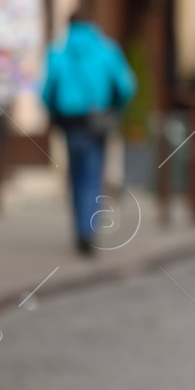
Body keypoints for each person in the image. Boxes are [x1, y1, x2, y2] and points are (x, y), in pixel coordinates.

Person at [39, 13, 138, 256]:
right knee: (93, 175)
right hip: (98, 122)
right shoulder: (107, 50)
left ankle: (80, 229)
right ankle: (89, 230)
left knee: (75, 175)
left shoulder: (58, 53)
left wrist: (54, 114)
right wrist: (116, 111)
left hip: (70, 122)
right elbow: (127, 87)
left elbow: (46, 91)